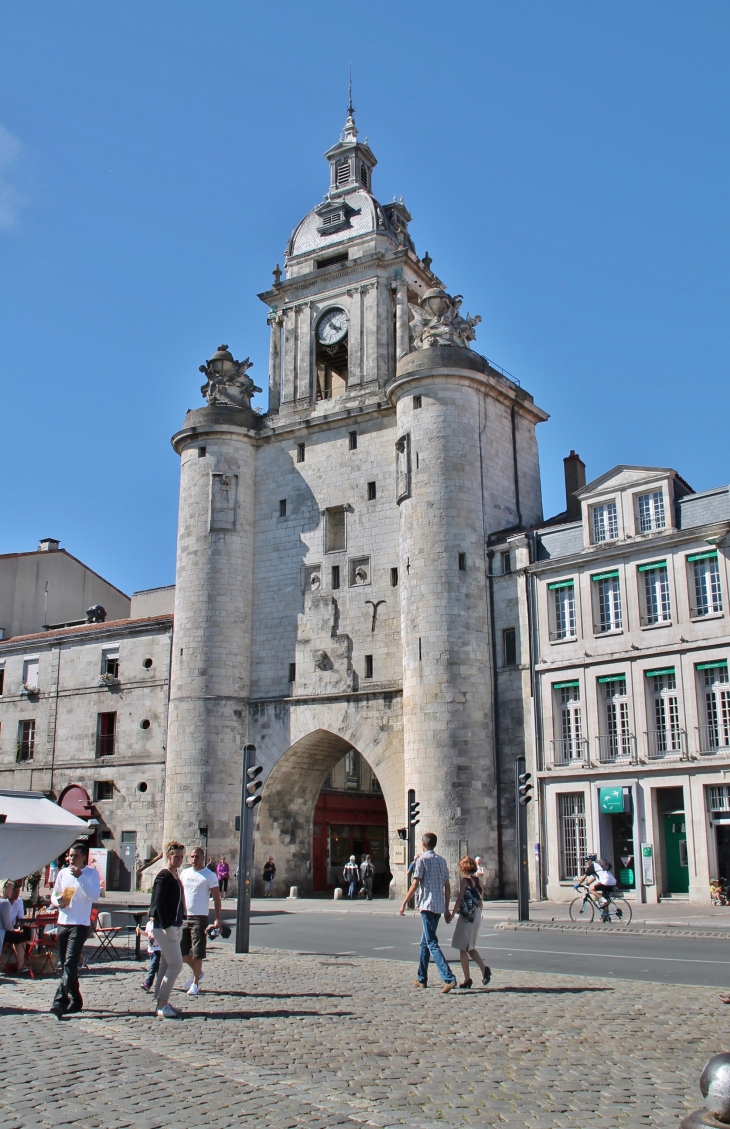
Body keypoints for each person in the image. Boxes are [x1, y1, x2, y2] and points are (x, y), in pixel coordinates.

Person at [399, 832, 457, 994]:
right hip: (438, 906)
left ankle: (448, 978)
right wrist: (446, 908)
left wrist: (403, 903)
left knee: (431, 942)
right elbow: (447, 886)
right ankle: (421, 978)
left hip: (426, 905)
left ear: (424, 844)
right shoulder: (442, 861)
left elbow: (415, 884)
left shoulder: (422, 860)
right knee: (425, 942)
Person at [49, 842, 102, 1018]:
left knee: (71, 962)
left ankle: (60, 1001)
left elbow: (94, 895)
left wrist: (80, 877)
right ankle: (76, 999)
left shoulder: (91, 873)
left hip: (80, 923)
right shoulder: (63, 873)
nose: (72, 859)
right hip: (64, 921)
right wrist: (58, 901)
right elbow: (55, 894)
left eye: (76, 856)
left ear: (84, 857)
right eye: (70, 856)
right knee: (65, 963)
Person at [149, 840, 187, 1019]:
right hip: (165, 927)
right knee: (176, 964)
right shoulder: (164, 875)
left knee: (165, 964)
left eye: (181, 856)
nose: (179, 859)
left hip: (174, 925)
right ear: (168, 856)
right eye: (175, 856)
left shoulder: (174, 875)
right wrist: (166, 926)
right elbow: (158, 901)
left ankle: (161, 1002)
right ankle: (162, 1004)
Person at [179, 846, 221, 996]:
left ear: (203, 858)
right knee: (182, 952)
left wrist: (217, 918)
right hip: (185, 916)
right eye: (191, 856)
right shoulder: (184, 873)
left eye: (196, 857)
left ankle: (195, 983)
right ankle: (198, 972)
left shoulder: (209, 875)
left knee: (197, 952)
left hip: (200, 917)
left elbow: (216, 897)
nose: (193, 859)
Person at [447, 856, 491, 988]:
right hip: (476, 915)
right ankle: (484, 969)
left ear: (463, 868)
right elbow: (480, 900)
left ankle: (467, 979)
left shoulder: (465, 881)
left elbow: (460, 899)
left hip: (467, 917)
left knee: (463, 948)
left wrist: (452, 914)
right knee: (469, 947)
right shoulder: (478, 881)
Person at [1, 880, 31, 974]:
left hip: (7, 929)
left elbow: (20, 918)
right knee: (24, 936)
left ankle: (21, 963)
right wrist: (14, 930)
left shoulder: (16, 901)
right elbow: (7, 925)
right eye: (12, 891)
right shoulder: (5, 903)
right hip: (3, 931)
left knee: (22, 935)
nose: (16, 894)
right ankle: (21, 965)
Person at [140, 918, 161, 992]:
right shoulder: (149, 923)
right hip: (151, 949)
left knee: (152, 967)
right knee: (157, 968)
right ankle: (161, 983)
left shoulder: (160, 923)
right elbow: (147, 933)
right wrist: (141, 932)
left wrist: (155, 935)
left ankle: (148, 984)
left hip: (158, 949)